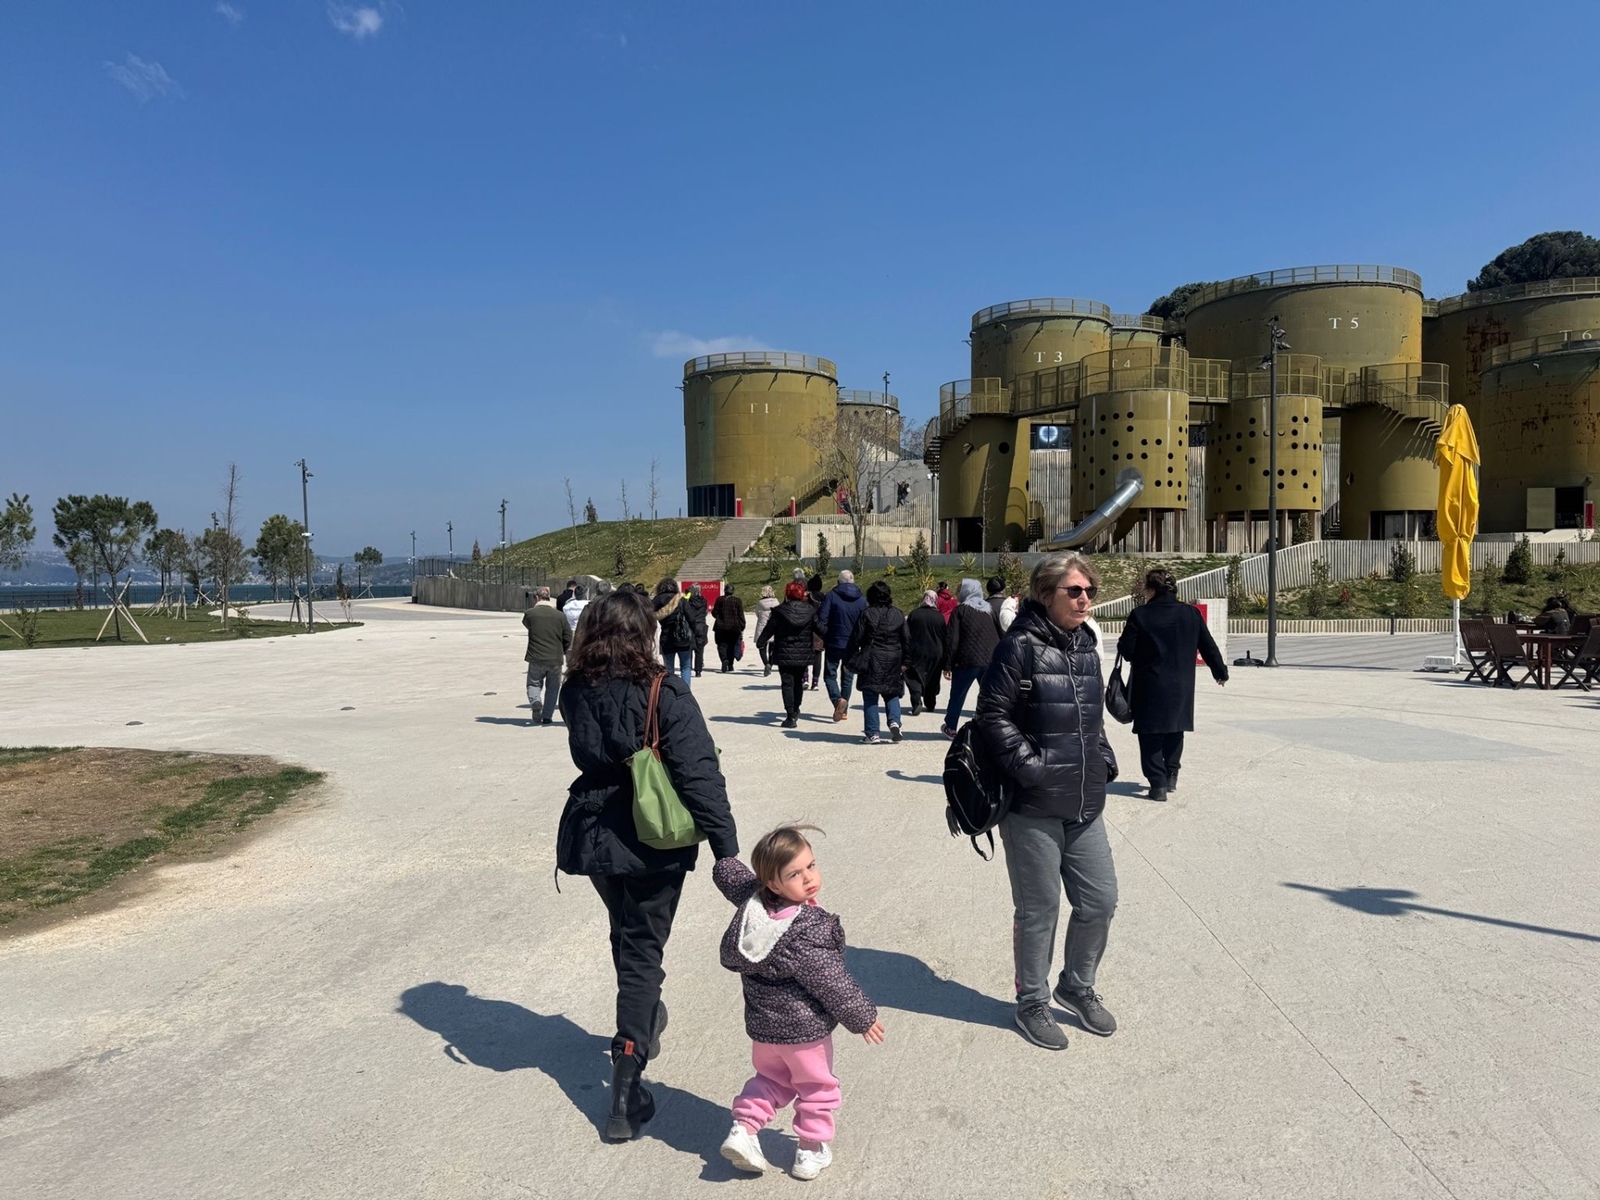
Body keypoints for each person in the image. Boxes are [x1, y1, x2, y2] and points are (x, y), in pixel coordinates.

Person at [556, 590, 740, 1140]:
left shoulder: (574, 689)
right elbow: (698, 773)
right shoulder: (664, 691)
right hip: (651, 839)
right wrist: (727, 851)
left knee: (626, 930)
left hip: (595, 833)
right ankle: (627, 1079)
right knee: (642, 947)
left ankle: (644, 1013)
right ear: (645, 634)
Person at [975, 552, 1119, 1052]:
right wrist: (1031, 769)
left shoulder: (1086, 647)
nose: (1084, 600)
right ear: (1045, 593)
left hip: (1085, 800)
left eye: (1089, 591)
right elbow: (991, 716)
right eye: (1074, 591)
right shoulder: (1018, 646)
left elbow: (1091, 717)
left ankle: (1076, 986)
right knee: (1039, 910)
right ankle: (1031, 1002)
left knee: (1100, 902)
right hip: (1032, 807)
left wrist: (1102, 757)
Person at [713, 825, 883, 1181]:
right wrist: (863, 1018)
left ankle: (744, 1128)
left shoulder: (754, 903)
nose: (809, 878)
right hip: (805, 1033)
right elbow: (832, 982)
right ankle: (809, 1149)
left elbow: (736, 880)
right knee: (816, 1087)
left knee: (771, 1079)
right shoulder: (806, 932)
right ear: (773, 884)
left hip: (764, 1030)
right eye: (794, 874)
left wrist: (723, 858)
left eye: (811, 866)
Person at [1117, 568, 1228, 802]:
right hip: (1181, 684)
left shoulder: (1140, 614)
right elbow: (1208, 645)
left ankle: (1157, 784)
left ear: (1150, 589)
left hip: (1149, 685)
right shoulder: (1191, 613)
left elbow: (1126, 650)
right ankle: (1171, 776)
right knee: (1175, 728)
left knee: (1150, 734)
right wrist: (1220, 672)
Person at [845, 580, 909, 744]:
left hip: (872, 658)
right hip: (894, 658)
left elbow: (856, 639)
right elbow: (906, 640)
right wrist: (906, 661)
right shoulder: (898, 614)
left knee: (870, 696)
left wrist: (848, 661)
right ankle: (894, 722)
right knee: (892, 693)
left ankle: (873, 733)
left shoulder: (866, 614)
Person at [940, 578, 1000, 736]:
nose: (957, 593)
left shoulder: (960, 611)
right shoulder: (989, 610)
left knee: (958, 695)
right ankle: (992, 727)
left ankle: (951, 727)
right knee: (989, 696)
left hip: (966, 660)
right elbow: (1000, 634)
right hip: (990, 660)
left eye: (959, 590)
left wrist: (947, 665)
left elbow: (952, 639)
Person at [758, 582, 819, 728]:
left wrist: (761, 642)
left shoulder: (779, 611)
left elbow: (769, 629)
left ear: (787, 594)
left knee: (787, 683)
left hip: (784, 652)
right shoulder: (810, 611)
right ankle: (796, 709)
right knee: (798, 682)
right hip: (802, 653)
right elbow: (820, 629)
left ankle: (790, 715)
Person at [814, 570, 868, 722]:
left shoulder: (831, 596)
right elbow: (866, 623)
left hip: (834, 642)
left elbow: (821, 619)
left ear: (838, 582)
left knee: (830, 675)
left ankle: (838, 700)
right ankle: (844, 710)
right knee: (848, 676)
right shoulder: (862, 600)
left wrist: (826, 634)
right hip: (852, 644)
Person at [522, 586, 572, 727]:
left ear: (536, 598)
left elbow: (527, 625)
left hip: (536, 656)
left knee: (533, 683)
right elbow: (568, 636)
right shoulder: (560, 616)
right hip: (555, 657)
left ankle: (535, 701)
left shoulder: (530, 614)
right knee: (553, 688)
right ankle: (547, 716)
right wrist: (563, 649)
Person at [905, 589, 947, 717]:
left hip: (917, 650)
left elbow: (907, 634)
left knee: (913, 675)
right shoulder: (939, 616)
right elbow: (945, 636)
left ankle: (916, 699)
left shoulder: (914, 614)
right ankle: (930, 702)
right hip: (936, 652)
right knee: (933, 676)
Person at [652, 579, 697, 686]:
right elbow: (691, 618)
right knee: (685, 667)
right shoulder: (681, 599)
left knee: (669, 668)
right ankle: (685, 690)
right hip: (683, 636)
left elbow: (648, 616)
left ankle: (671, 690)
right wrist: (693, 631)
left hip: (666, 637)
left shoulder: (657, 600)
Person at [712, 584, 747, 673]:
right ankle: (730, 664)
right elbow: (740, 615)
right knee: (732, 645)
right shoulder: (737, 601)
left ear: (725, 590)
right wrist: (742, 626)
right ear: (733, 591)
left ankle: (724, 660)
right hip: (734, 627)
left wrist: (719, 616)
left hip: (721, 627)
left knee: (721, 645)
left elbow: (714, 613)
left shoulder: (719, 599)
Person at [753, 585, 780, 676]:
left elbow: (757, 613)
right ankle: (770, 664)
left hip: (762, 626)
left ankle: (766, 664)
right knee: (772, 648)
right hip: (774, 627)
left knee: (762, 647)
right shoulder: (776, 602)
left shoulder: (760, 603)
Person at [805, 572, 826, 689]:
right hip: (820, 630)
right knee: (818, 655)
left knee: (805, 654)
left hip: (807, 630)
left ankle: (805, 679)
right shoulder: (825, 598)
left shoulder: (806, 598)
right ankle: (815, 682)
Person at [686, 583, 710, 677]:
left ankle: (688, 668)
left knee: (689, 649)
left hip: (691, 626)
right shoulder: (704, 601)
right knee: (700, 650)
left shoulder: (689, 602)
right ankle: (698, 670)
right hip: (701, 625)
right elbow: (705, 612)